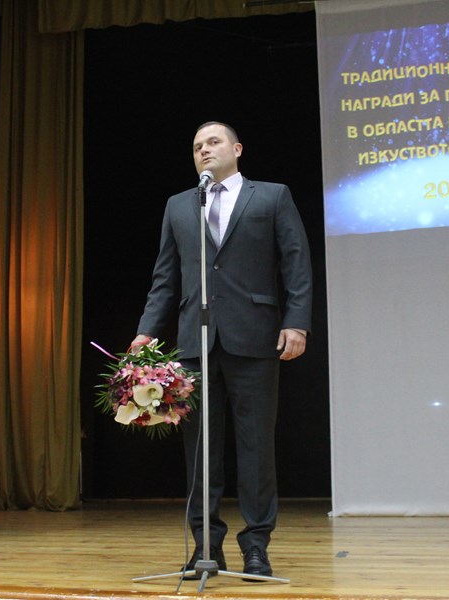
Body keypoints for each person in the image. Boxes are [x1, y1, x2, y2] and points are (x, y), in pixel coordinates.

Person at [131, 122, 313, 578]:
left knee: (256, 447)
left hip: (255, 336)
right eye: (197, 146)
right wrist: (147, 331)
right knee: (199, 450)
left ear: (237, 148)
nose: (204, 150)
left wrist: (296, 322)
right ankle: (205, 546)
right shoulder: (180, 205)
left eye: (213, 142)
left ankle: (256, 545)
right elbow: (165, 276)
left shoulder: (271, 196)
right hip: (195, 343)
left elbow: (296, 262)